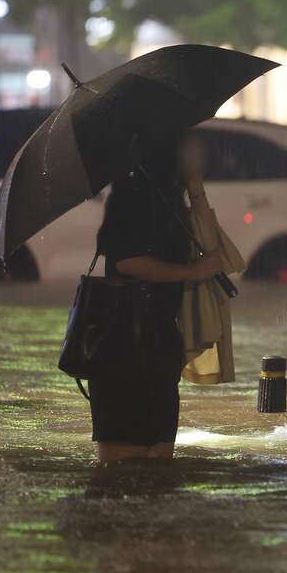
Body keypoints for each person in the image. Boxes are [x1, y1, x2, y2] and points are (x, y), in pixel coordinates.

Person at [89, 136, 225, 463]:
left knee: (159, 460)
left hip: (161, 343)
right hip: (122, 345)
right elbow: (128, 262)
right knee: (121, 463)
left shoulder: (173, 200)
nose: (198, 154)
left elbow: (215, 250)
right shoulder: (129, 195)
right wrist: (192, 272)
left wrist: (195, 186)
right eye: (189, 148)